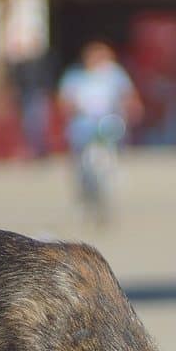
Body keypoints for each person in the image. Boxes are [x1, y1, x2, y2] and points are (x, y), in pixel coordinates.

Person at [58, 40, 142, 225]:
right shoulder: (75, 76)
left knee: (109, 164)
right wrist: (74, 108)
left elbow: (128, 95)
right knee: (83, 167)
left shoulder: (115, 75)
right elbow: (65, 100)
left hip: (108, 126)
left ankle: (107, 201)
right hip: (83, 128)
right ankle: (85, 199)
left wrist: (132, 109)